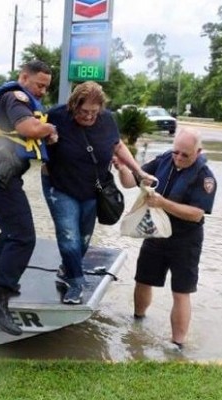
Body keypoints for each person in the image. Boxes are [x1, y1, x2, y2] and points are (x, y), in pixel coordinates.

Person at [42, 81, 155, 305]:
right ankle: (75, 282)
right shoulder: (56, 115)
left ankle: (68, 268)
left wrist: (138, 170)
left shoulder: (106, 119)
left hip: (93, 188)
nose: (89, 117)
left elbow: (117, 145)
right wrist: (47, 141)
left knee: (83, 238)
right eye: (84, 111)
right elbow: (33, 136)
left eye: (94, 112)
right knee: (69, 237)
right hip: (60, 186)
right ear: (74, 106)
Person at [0, 60, 58, 335]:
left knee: (12, 232)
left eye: (46, 86)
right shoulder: (16, 98)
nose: (43, 91)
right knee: (23, 236)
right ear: (24, 77)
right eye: (39, 85)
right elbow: (29, 130)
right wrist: (50, 129)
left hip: (0, 173)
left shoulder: (21, 99)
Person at [117, 128, 216, 350]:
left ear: (198, 152)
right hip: (156, 233)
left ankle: (177, 345)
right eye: (176, 152)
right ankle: (138, 321)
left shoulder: (205, 177)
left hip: (186, 240)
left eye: (185, 155)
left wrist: (164, 204)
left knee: (181, 291)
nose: (179, 158)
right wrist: (123, 168)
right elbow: (131, 182)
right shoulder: (163, 161)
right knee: (142, 279)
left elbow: (196, 213)